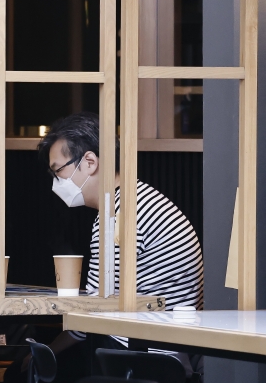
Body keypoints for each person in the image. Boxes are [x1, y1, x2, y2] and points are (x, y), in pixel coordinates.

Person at [37, 112, 203, 308]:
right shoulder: (134, 198)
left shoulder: (116, 215)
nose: (56, 182)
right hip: (166, 323)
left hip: (151, 326)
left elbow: (97, 307)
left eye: (58, 171)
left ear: (90, 162)